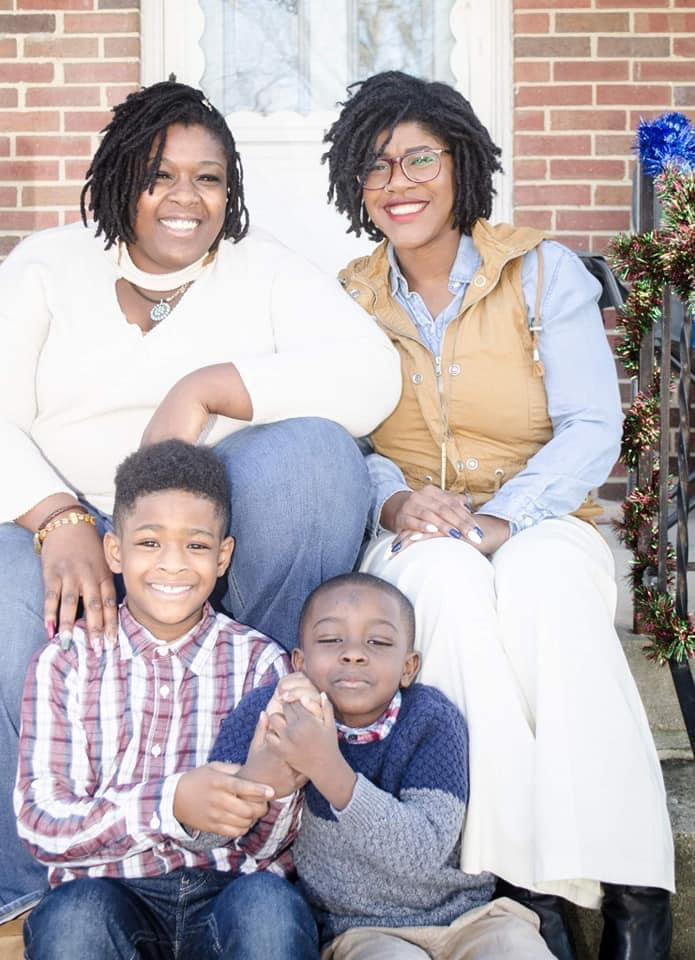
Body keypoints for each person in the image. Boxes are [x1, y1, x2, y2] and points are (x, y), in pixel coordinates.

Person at [0, 79, 400, 921]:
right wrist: (55, 515)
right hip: (65, 523)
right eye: (159, 175)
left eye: (208, 178)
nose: (186, 198)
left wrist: (206, 386)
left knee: (316, 459)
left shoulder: (263, 268)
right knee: (4, 598)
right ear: (118, 178)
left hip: (208, 536)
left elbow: (371, 374)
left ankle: (258, 776)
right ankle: (31, 895)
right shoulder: (46, 265)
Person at [320, 72, 674, 960]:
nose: (396, 182)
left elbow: (591, 425)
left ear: (461, 164)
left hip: (543, 514)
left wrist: (504, 520)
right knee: (442, 584)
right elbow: (342, 436)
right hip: (416, 528)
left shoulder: (540, 270)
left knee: (546, 589)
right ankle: (523, 888)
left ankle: (633, 889)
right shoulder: (346, 298)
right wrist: (396, 499)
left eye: (419, 159)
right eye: (374, 166)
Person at [14, 440, 319, 960]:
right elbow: (44, 825)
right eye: (150, 542)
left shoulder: (259, 664)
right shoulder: (66, 662)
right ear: (115, 551)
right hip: (109, 891)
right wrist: (167, 804)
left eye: (196, 546)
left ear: (222, 556)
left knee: (270, 908)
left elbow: (269, 847)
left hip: (227, 890)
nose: (173, 564)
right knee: (72, 920)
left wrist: (279, 787)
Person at [209, 572, 554, 959]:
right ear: (299, 663)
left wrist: (327, 767)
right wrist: (257, 774)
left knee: (517, 950)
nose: (353, 653)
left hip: (469, 919)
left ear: (409, 667)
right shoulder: (274, 711)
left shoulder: (431, 720)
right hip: (360, 930)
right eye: (331, 639)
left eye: (379, 642)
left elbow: (422, 852)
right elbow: (207, 831)